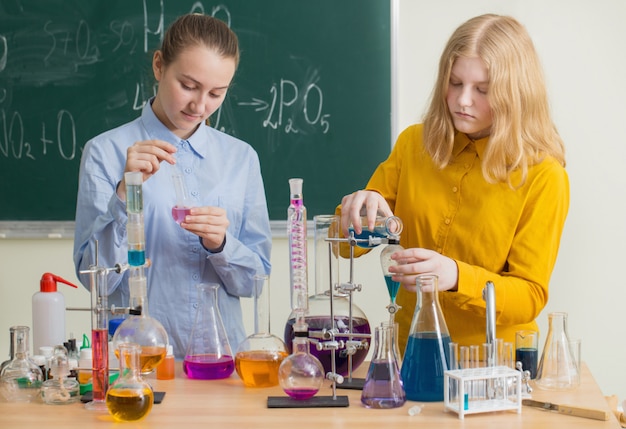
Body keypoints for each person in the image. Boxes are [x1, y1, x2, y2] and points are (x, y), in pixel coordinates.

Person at [339, 14, 569, 355]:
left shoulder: (543, 175)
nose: (463, 100)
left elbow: (529, 297)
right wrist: (360, 208)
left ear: (515, 94)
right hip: (413, 354)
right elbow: (347, 246)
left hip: (494, 365)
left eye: (483, 90)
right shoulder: (414, 144)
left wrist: (457, 276)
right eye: (455, 82)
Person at [73, 14, 271, 359]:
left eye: (216, 93)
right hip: (139, 364)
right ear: (158, 65)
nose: (200, 106)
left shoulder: (241, 159)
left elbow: (254, 281)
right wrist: (124, 195)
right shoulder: (105, 152)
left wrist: (221, 244)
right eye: (189, 86)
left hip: (221, 363)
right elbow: (96, 282)